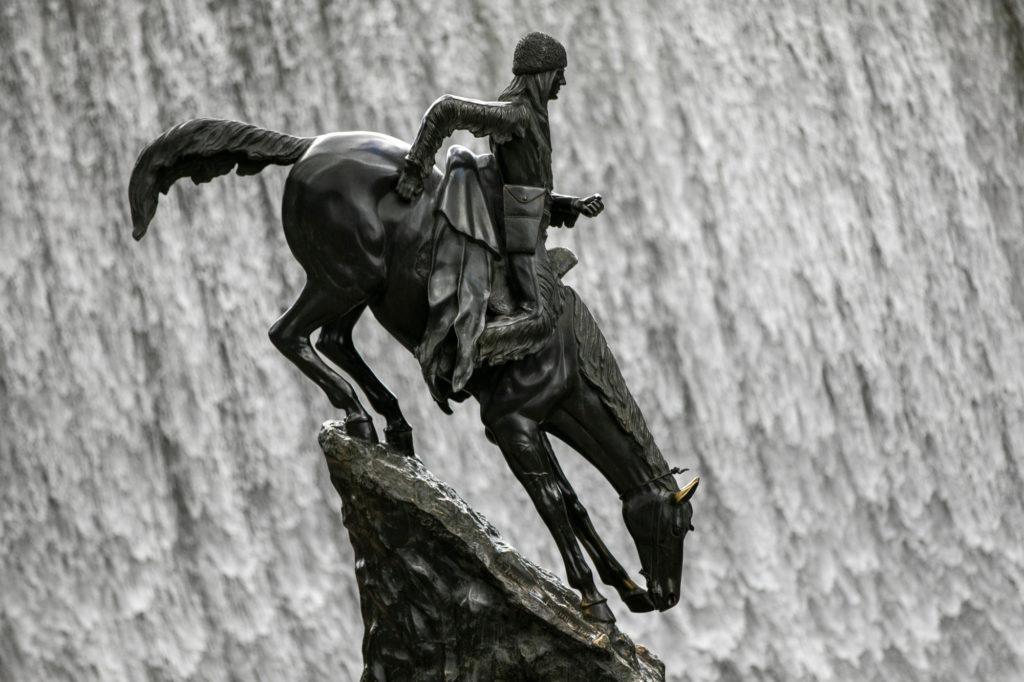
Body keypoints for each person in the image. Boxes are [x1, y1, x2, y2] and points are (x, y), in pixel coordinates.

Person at [396, 31, 604, 325]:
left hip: (528, 229)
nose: (563, 81)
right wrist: (415, 168)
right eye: (559, 73)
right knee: (537, 316)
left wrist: (573, 205)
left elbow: (528, 186)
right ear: (541, 74)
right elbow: (446, 109)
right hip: (518, 239)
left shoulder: (533, 115)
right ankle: (465, 351)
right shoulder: (516, 115)